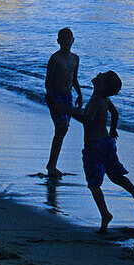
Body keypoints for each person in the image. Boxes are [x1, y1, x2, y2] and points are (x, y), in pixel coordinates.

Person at [72, 70, 134, 233]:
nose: (98, 73)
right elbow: (115, 113)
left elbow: (87, 120)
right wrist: (112, 130)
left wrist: (68, 111)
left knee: (94, 183)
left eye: (102, 75)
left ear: (102, 85)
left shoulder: (96, 100)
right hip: (107, 143)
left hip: (94, 146)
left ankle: (105, 214)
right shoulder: (104, 99)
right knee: (116, 175)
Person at [45, 27, 82, 178]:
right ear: (58, 41)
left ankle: (52, 164)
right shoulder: (55, 58)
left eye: (69, 39)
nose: (67, 42)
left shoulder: (75, 58)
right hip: (56, 96)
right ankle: (51, 165)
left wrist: (79, 94)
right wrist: (52, 100)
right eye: (64, 39)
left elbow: (74, 79)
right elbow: (48, 82)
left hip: (68, 97)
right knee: (61, 128)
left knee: (63, 129)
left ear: (73, 41)